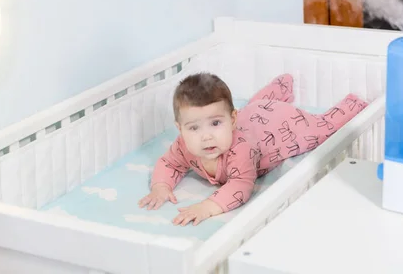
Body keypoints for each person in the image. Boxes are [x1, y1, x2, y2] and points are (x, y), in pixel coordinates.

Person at [138, 72, 368, 226]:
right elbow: (169, 163)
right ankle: (281, 86)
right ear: (179, 128)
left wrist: (207, 207)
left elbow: (240, 186)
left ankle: (352, 105)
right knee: (254, 107)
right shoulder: (183, 146)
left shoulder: (240, 150)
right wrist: (161, 186)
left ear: (231, 119)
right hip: (255, 114)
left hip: (280, 125)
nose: (206, 136)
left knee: (320, 130)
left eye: (216, 123)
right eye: (194, 127)